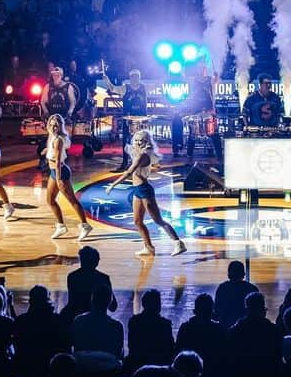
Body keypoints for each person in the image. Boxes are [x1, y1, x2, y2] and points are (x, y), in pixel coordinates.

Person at [105, 129, 186, 257]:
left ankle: (178, 243)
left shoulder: (143, 156)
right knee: (137, 221)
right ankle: (148, 247)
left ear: (146, 142)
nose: (137, 143)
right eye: (136, 140)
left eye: (141, 141)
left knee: (158, 220)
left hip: (144, 189)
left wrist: (113, 185)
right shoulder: (140, 153)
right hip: (138, 190)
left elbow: (129, 172)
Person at [44, 114, 93, 241]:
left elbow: (59, 159)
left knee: (72, 200)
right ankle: (61, 226)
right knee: (50, 200)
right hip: (54, 172)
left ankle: (85, 225)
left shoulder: (58, 139)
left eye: (56, 124)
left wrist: (59, 178)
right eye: (52, 124)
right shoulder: (52, 137)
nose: (54, 127)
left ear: (61, 126)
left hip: (60, 172)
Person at [101, 65, 150, 171]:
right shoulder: (125, 88)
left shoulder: (143, 88)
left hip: (140, 118)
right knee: (126, 141)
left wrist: (146, 116)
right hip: (128, 119)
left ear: (139, 77)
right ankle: (125, 162)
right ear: (130, 78)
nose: (135, 78)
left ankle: (141, 162)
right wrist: (106, 80)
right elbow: (113, 88)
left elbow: (145, 103)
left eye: (137, 76)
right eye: (133, 76)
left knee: (142, 141)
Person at [172, 64, 222, 159]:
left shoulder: (210, 79)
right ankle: (189, 154)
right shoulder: (194, 80)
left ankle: (219, 155)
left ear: (206, 70)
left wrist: (216, 75)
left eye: (203, 69)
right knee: (193, 134)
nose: (201, 71)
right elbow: (190, 93)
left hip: (208, 110)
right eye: (200, 69)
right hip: (196, 111)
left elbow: (216, 81)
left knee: (214, 133)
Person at [65, 246, 117, 322]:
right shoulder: (103, 278)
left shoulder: (73, 277)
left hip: (77, 319)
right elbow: (113, 307)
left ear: (82, 261)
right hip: (99, 321)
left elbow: (71, 303)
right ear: (96, 261)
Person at [71, 284, 124, 360]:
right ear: (109, 302)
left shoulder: (78, 321)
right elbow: (118, 355)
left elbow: (75, 348)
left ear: (92, 300)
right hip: (108, 369)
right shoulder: (117, 326)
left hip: (83, 367)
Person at [174, 293, 224, 373]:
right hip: (213, 372)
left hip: (189, 371)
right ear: (212, 310)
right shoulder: (217, 329)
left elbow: (177, 351)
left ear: (195, 310)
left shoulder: (186, 327)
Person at [127, 289, 175, 370]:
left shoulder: (134, 322)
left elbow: (131, 347)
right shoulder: (165, 324)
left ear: (144, 304)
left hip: (137, 365)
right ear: (158, 305)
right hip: (160, 366)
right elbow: (170, 349)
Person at [214, 260, 258, 329]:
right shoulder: (252, 289)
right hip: (248, 330)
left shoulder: (222, 288)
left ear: (229, 274)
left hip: (225, 329)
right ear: (243, 274)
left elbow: (217, 312)